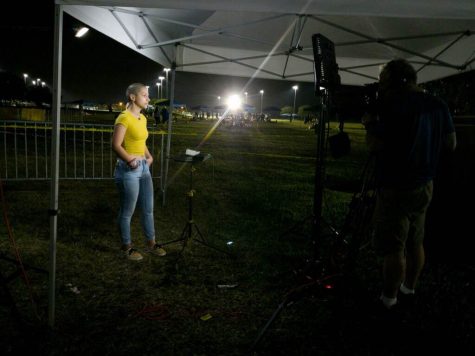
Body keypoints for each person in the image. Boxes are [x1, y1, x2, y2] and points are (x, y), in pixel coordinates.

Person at [362, 59, 456, 310]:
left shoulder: (392, 105)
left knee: (394, 246)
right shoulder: (437, 104)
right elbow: (451, 143)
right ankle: (410, 288)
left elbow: (375, 145)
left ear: (395, 81)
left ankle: (388, 298)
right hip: (425, 184)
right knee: (416, 241)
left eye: (383, 82)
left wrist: (370, 123)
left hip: (395, 186)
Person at [112, 83, 166, 261]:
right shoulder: (123, 118)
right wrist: (131, 160)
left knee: (148, 209)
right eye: (144, 95)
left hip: (143, 168)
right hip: (129, 169)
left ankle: (151, 243)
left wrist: (149, 157)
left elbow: (141, 143)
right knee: (127, 211)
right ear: (133, 97)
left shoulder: (142, 118)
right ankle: (126, 247)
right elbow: (116, 145)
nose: (148, 98)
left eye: (148, 95)